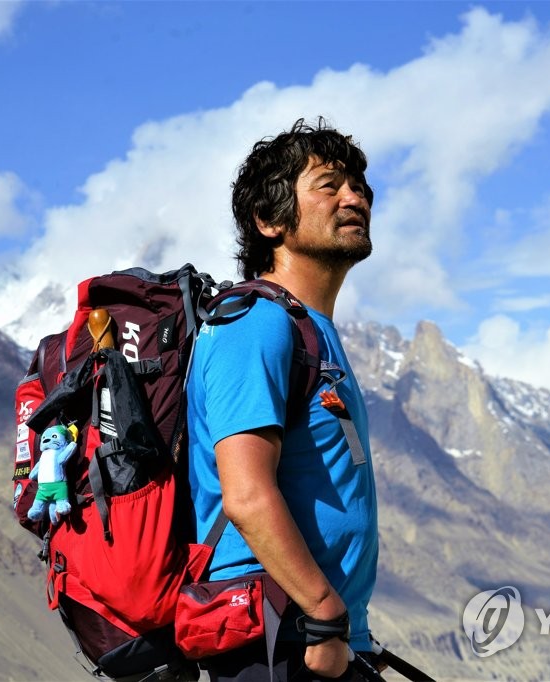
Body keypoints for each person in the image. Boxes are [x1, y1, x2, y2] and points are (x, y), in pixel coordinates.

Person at [186, 118, 378, 681]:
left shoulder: (312, 331)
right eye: (329, 185)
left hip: (320, 638)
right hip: (273, 639)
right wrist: (322, 612)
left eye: (360, 187)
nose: (355, 197)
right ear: (269, 221)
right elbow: (245, 496)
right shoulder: (256, 325)